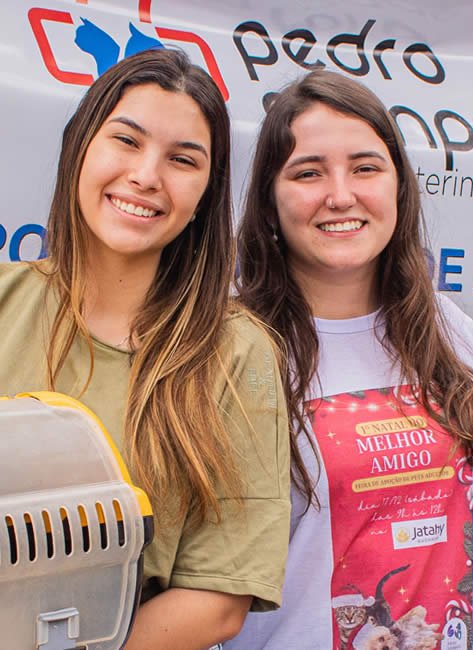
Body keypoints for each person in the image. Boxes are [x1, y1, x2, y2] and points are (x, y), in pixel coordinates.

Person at [0, 49, 290, 649]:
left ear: (207, 194)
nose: (146, 176)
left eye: (183, 160)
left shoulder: (236, 352)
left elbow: (218, 598)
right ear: (81, 145)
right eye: (126, 141)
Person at [228, 70, 473, 650]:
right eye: (308, 172)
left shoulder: (450, 329)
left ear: (398, 185)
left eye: (365, 167)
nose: (340, 194)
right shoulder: (232, 344)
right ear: (270, 200)